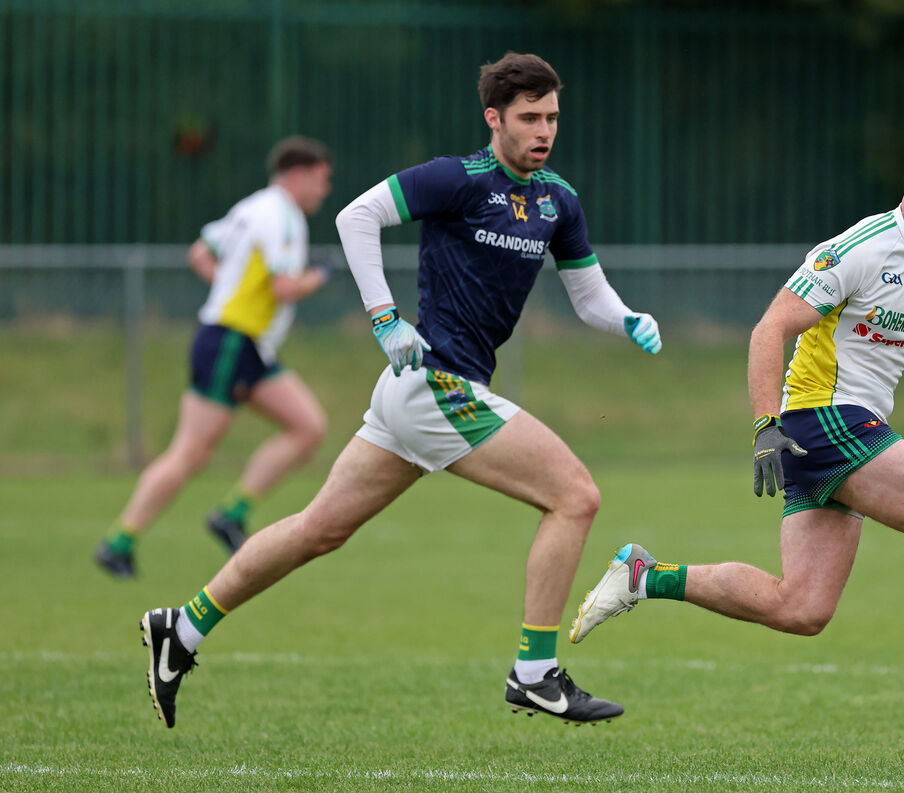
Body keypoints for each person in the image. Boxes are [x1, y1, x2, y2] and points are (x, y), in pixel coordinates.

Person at [137, 52, 662, 729]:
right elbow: (356, 217)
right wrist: (386, 319)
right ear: (494, 118)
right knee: (575, 495)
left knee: (317, 531)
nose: (544, 131)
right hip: (432, 384)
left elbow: (587, 294)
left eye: (552, 117)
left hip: (421, 394)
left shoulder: (558, 200)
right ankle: (535, 671)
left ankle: (181, 629)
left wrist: (626, 318)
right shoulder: (457, 178)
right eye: (529, 118)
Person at [570, 132, 904, 732]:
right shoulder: (859, 250)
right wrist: (765, 424)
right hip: (822, 420)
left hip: (851, 430)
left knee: (803, 608)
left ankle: (646, 576)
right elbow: (769, 330)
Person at [94, 137, 333, 578]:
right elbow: (285, 288)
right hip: (230, 340)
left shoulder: (251, 207)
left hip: (246, 345)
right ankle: (118, 541)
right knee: (189, 453)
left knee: (307, 426)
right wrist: (319, 275)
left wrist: (228, 288)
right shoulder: (282, 216)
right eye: (321, 181)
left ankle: (231, 514)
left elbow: (201, 253)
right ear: (298, 175)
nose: (324, 190)